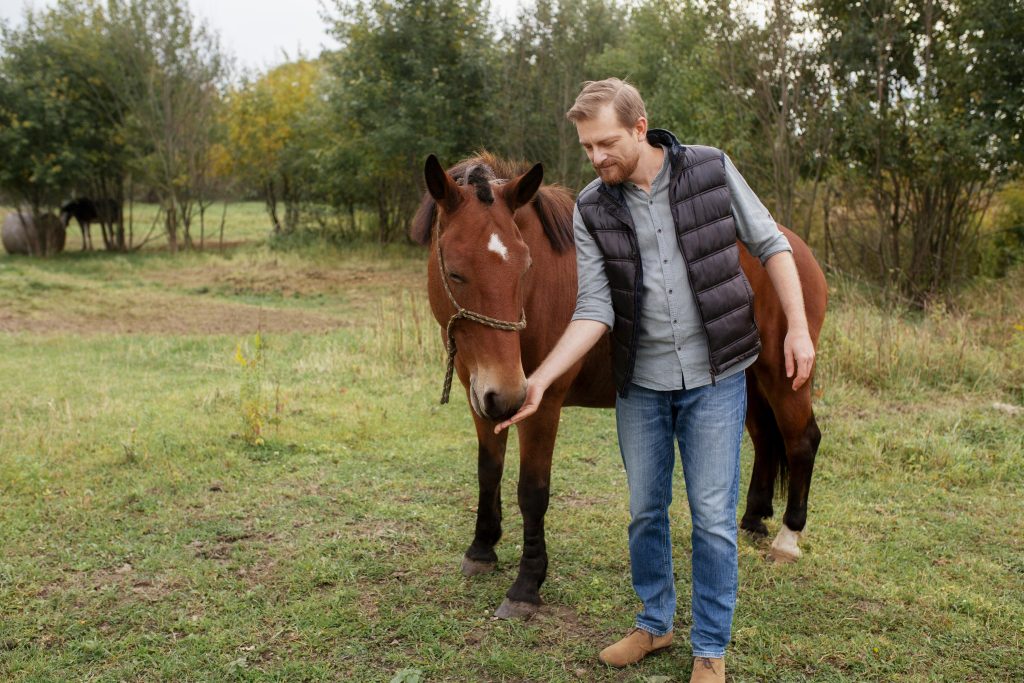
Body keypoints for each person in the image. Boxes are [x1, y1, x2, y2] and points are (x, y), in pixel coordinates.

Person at [494, 78, 815, 683]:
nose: (596, 158)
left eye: (606, 143)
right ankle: (654, 623)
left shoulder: (712, 170)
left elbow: (772, 244)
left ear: (641, 128)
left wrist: (797, 327)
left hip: (716, 379)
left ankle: (711, 648)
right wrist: (540, 379)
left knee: (714, 518)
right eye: (587, 147)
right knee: (645, 511)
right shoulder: (592, 205)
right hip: (640, 385)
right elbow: (594, 308)